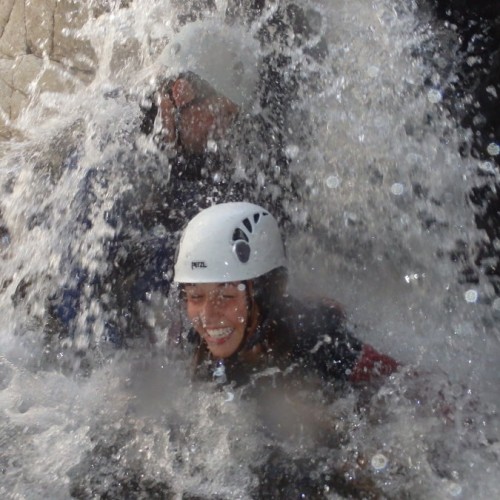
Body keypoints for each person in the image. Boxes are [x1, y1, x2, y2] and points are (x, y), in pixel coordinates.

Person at [172, 201, 399, 388]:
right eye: (195, 297)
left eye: (226, 296)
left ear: (267, 294)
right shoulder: (195, 346)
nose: (207, 316)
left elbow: (410, 388)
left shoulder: (321, 345)